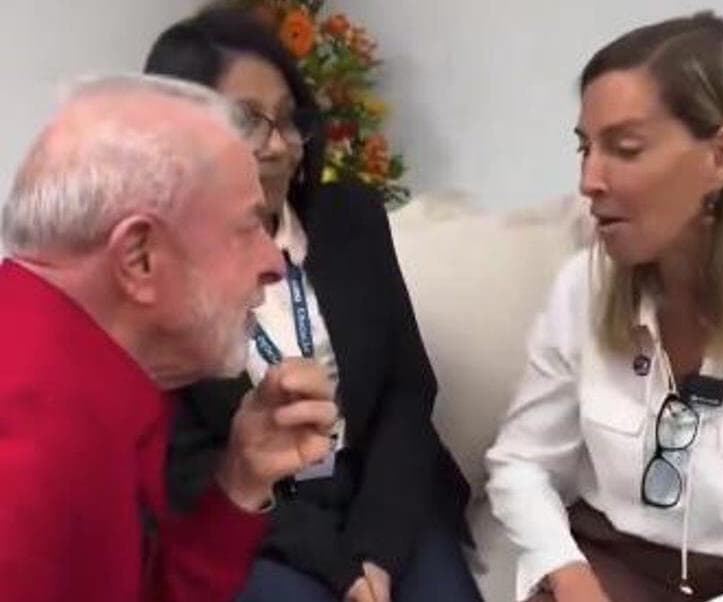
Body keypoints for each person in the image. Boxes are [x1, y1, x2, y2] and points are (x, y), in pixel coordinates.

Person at [144, 8, 483, 602]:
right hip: (258, 518)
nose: (279, 146)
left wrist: (375, 553)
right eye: (248, 122)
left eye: (287, 120)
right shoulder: (154, 267)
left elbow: (407, 390)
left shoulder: (350, 218)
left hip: (379, 494)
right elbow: (185, 463)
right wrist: (339, 568)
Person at [486, 12, 723, 602]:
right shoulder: (582, 287)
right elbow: (522, 464)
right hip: (606, 565)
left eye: (624, 149)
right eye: (584, 148)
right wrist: (566, 572)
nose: (589, 180)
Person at [0, 75, 338, 602]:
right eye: (248, 227)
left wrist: (239, 482)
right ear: (140, 258)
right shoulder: (26, 461)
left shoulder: (98, 383)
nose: (275, 261)